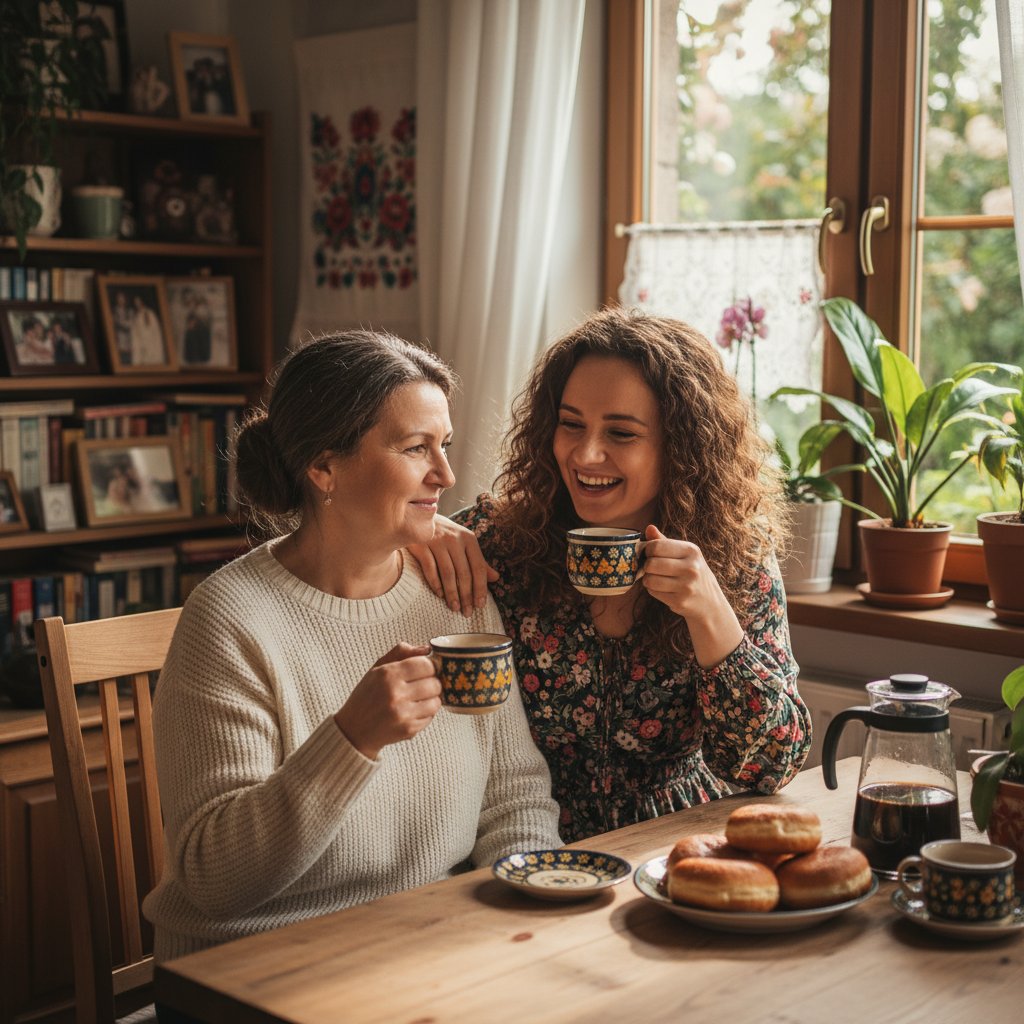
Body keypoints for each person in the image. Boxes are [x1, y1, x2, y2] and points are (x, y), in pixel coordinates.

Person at [143, 330, 560, 971]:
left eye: (443, 446)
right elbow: (212, 881)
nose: (446, 474)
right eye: (414, 448)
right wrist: (351, 739)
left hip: (420, 951)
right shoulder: (229, 621)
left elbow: (514, 794)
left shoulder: (456, 592)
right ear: (323, 468)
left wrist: (528, 912)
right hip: (251, 970)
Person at [408, 307, 812, 843]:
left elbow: (771, 766)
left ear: (682, 447)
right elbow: (350, 560)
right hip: (518, 837)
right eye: (571, 424)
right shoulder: (499, 541)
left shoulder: (736, 562)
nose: (585, 453)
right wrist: (415, 531)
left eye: (621, 433)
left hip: (671, 843)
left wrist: (711, 615)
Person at [129, 293, 165, 365]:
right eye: (135, 302)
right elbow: (135, 332)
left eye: (138, 301)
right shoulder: (136, 316)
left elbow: (153, 331)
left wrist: (147, 343)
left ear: (142, 301)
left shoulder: (149, 313)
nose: (137, 304)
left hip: (150, 344)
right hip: (140, 344)